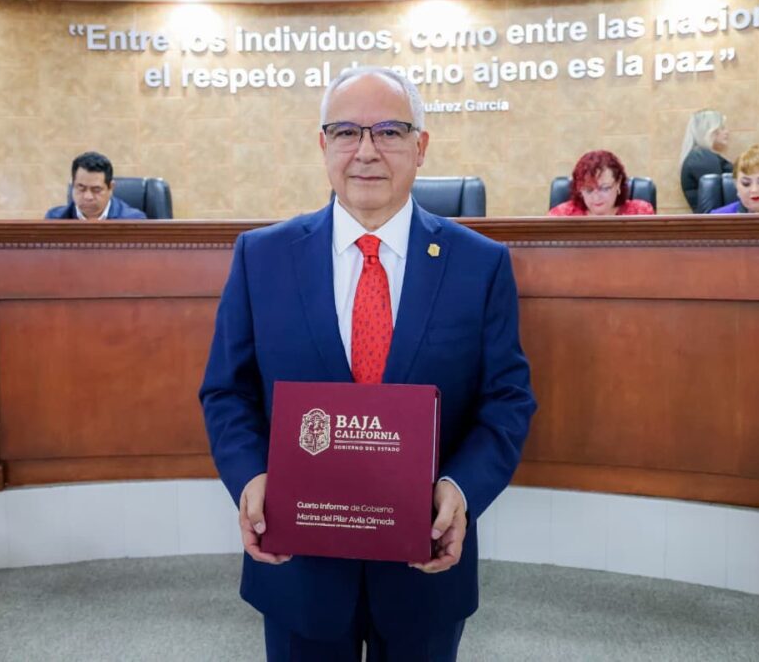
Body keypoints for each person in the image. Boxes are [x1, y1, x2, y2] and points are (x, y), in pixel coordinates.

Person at [199, 66, 536, 661]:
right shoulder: (262, 257)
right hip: (299, 567)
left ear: (422, 146)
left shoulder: (480, 265)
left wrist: (461, 489)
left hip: (424, 569)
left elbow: (506, 401)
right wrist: (251, 477)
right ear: (322, 144)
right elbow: (228, 391)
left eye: (389, 131)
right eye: (347, 132)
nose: (366, 151)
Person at [548, 150, 655, 216]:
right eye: (589, 190)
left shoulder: (641, 212)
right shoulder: (561, 215)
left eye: (605, 188)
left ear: (618, 183)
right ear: (579, 188)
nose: (596, 198)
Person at [44, 151, 147, 220]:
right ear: (73, 185)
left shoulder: (134, 221)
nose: (88, 197)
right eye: (81, 188)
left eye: (96, 189)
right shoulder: (55, 219)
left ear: (111, 188)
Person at [679, 109, 732, 211]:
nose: (727, 132)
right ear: (709, 130)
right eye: (722, 128)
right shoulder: (701, 157)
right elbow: (717, 199)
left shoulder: (700, 156)